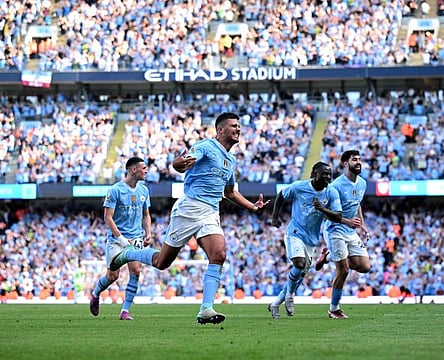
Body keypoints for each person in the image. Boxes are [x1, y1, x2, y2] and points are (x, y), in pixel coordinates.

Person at [110, 112, 269, 324]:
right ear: (220, 130)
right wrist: (178, 164)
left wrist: (252, 206)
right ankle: (128, 254)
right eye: (233, 126)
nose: (238, 129)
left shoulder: (231, 160)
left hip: (211, 212)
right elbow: (180, 164)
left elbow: (230, 192)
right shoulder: (205, 147)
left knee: (219, 254)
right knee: (161, 262)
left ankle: (206, 308)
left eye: (239, 126)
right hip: (190, 208)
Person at [268, 161, 342, 319]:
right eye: (324, 174)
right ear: (314, 174)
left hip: (311, 240)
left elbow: (338, 216)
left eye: (330, 174)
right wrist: (275, 216)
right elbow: (281, 195)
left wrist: (323, 209)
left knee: (299, 275)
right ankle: (289, 296)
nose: (328, 177)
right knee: (299, 263)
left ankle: (275, 304)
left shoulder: (331, 193)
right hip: (295, 232)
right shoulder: (299, 187)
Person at [89, 156, 152, 320]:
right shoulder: (115, 190)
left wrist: (148, 232)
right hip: (117, 240)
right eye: (143, 168)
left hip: (136, 237)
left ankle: (125, 310)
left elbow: (146, 214)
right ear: (133, 170)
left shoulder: (144, 190)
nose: (146, 171)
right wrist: (121, 238)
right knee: (112, 276)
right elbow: (107, 217)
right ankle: (95, 294)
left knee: (136, 270)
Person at [314, 149, 371, 319]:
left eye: (360, 159)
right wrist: (348, 221)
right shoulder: (336, 186)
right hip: (335, 229)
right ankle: (334, 309)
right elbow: (326, 213)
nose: (358, 162)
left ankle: (329, 256)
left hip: (351, 230)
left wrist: (363, 225)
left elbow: (357, 204)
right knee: (343, 270)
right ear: (345, 164)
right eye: (355, 160)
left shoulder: (362, 183)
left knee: (364, 267)